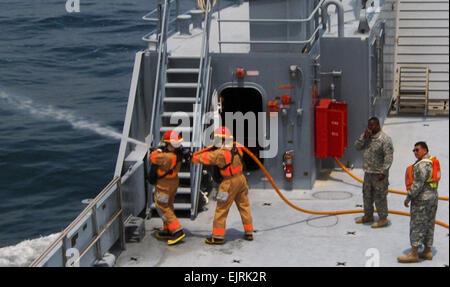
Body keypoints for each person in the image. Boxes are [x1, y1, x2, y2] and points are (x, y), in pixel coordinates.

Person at [192, 126, 253, 244]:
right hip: (241, 181)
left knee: (222, 209)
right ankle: (249, 232)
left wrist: (190, 157)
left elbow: (205, 158)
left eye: (216, 139)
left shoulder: (221, 154)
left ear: (222, 140)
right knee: (244, 206)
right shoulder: (237, 148)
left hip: (229, 183)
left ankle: (218, 237)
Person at [398, 142, 439, 263]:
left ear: (425, 150)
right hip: (433, 198)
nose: (415, 152)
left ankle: (414, 253)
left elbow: (418, 184)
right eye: (414, 151)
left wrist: (408, 197)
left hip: (421, 200)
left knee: (416, 225)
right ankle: (427, 251)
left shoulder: (421, 165)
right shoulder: (432, 162)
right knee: (429, 223)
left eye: (417, 150)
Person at [354, 117, 394, 228]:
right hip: (368, 172)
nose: (370, 128)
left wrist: (384, 171)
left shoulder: (385, 139)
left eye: (372, 125)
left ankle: (383, 219)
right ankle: (368, 216)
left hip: (379, 174)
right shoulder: (367, 137)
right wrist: (363, 137)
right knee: (367, 195)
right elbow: (357, 147)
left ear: (378, 125)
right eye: (369, 125)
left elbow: (389, 157)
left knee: (380, 196)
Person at [149, 130, 186, 245]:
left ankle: (177, 230)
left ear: (169, 144)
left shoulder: (166, 157)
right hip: (173, 183)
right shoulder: (178, 154)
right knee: (168, 206)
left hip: (164, 185)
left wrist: (157, 150)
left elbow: (153, 157)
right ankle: (168, 229)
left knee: (162, 206)